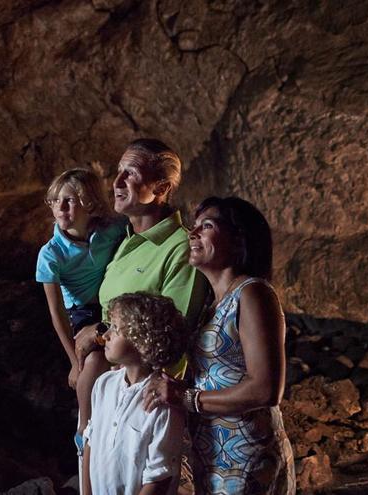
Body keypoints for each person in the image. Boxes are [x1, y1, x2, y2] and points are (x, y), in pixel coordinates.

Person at [142, 196, 296, 495]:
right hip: (214, 456)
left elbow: (266, 389)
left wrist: (186, 398)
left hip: (246, 455)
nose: (193, 233)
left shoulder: (252, 294)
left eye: (207, 226)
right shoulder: (213, 305)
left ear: (239, 240)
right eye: (195, 226)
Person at [75, 139, 207, 380]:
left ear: (161, 188)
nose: (117, 182)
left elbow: (173, 336)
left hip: (146, 394)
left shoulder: (182, 249)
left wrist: (98, 332)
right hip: (112, 385)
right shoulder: (126, 242)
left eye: (131, 173)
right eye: (118, 172)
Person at [36, 168, 126, 452]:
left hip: (111, 302)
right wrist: (73, 361)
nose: (61, 208)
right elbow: (56, 312)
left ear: (89, 203)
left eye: (70, 200)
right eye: (56, 201)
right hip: (81, 312)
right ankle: (84, 427)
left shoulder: (112, 230)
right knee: (95, 360)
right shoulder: (51, 254)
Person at [81, 292, 189, 495]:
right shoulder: (104, 384)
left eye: (115, 328)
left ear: (143, 340)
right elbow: (90, 442)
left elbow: (158, 478)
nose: (105, 336)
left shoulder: (163, 403)